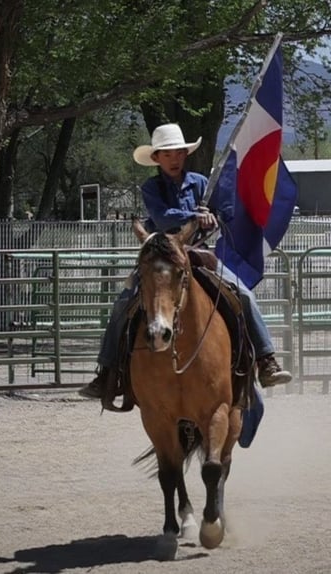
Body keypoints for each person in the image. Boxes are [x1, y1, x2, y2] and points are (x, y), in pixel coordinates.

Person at [79, 123, 291, 398]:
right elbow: (165, 217)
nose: (174, 158)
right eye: (167, 154)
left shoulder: (203, 183)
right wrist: (195, 215)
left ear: (185, 154)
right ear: (156, 158)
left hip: (198, 254)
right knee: (123, 304)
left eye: (178, 153)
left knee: (243, 294)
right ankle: (107, 373)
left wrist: (213, 216)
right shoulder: (151, 188)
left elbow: (224, 212)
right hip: (161, 258)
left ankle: (265, 361)